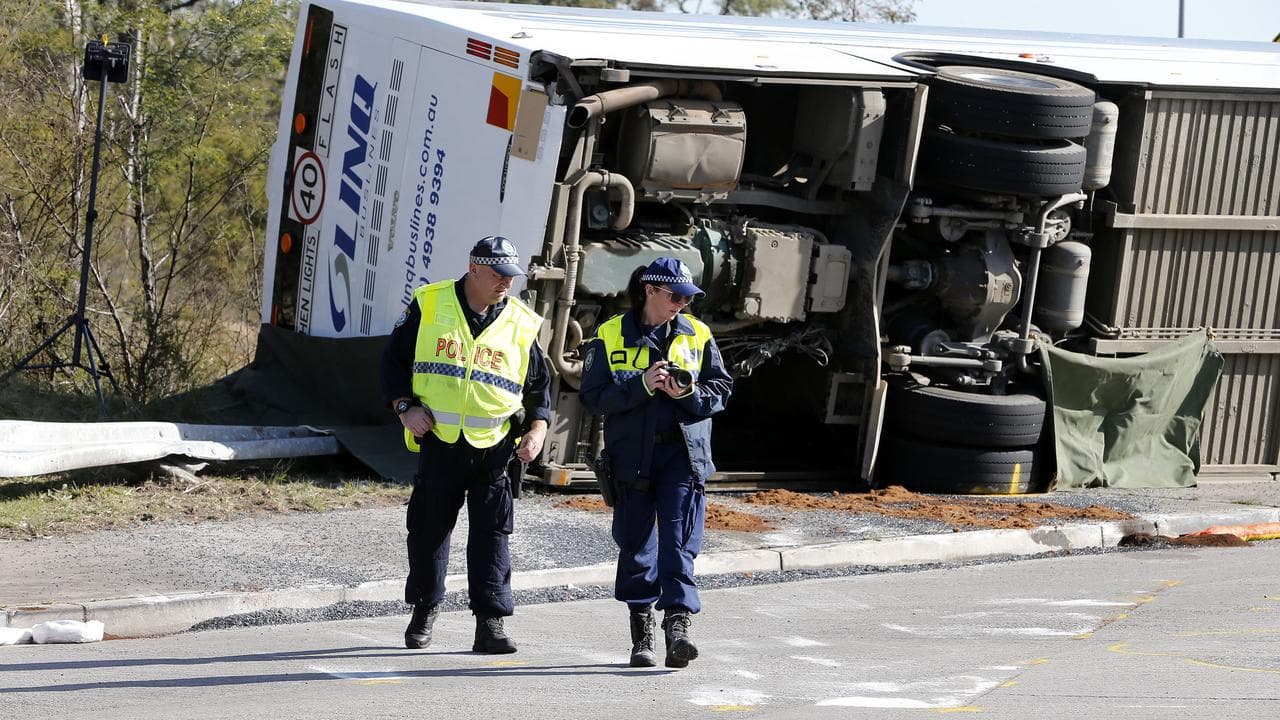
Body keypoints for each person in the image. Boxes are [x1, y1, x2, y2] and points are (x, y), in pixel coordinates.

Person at [381, 235, 550, 654]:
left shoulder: (522, 321)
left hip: (495, 448)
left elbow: (540, 389)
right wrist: (405, 406)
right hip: (439, 441)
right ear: (474, 269)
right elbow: (392, 362)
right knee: (428, 532)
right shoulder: (430, 303)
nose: (505, 284)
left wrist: (537, 430)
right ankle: (423, 613)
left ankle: (490, 624)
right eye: (497, 275)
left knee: (493, 536)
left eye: (511, 276)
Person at [579, 257, 734, 669]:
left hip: (682, 454)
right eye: (675, 295)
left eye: (688, 297)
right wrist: (642, 385)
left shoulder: (697, 334)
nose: (682, 303)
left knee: (679, 540)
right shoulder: (611, 334)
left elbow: (721, 388)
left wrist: (687, 394)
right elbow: (593, 397)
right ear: (650, 290)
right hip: (632, 456)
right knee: (635, 544)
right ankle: (642, 628)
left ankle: (678, 627)